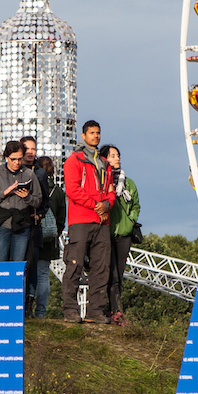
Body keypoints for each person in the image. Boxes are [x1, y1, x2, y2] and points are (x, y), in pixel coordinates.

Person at [62, 120, 116, 324]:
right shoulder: (74, 160)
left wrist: (107, 205)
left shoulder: (105, 164)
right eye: (92, 132)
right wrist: (97, 205)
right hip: (81, 220)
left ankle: (95, 311)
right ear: (83, 136)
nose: (96, 136)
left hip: (102, 221)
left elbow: (111, 192)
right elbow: (73, 190)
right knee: (74, 265)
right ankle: (70, 310)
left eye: (98, 132)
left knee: (101, 267)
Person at [0, 140, 42, 264]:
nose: (17, 162)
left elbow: (38, 201)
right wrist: (4, 193)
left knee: (19, 263)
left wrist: (27, 197)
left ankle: (16, 284)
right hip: (2, 223)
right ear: (6, 158)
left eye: (20, 159)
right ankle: (1, 284)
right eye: (13, 159)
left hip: (22, 223)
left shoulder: (29, 174)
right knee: (1, 262)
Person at [103, 145, 140, 326]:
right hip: (105, 233)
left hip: (123, 234)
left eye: (118, 155)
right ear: (105, 160)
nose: (117, 159)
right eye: (112, 156)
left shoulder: (129, 183)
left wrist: (131, 221)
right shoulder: (102, 181)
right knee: (107, 273)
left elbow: (136, 206)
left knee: (118, 274)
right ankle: (106, 309)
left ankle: (116, 310)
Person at [28, 156, 63, 319]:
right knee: (43, 275)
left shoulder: (33, 187)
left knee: (28, 274)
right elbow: (62, 220)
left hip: (32, 236)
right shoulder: (58, 192)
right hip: (49, 241)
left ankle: (25, 309)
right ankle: (41, 312)